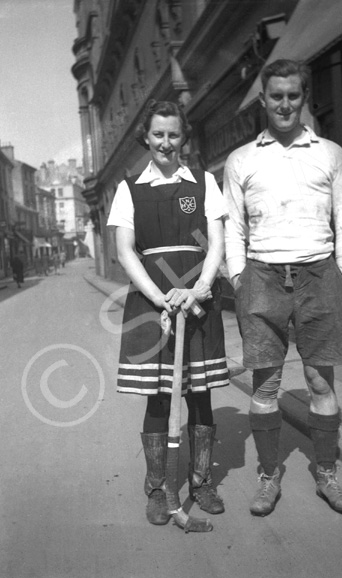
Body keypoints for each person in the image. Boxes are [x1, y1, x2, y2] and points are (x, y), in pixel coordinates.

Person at [223, 59, 342, 516]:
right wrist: (239, 278)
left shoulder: (330, 153)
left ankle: (326, 474)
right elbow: (232, 228)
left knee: (320, 379)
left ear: (303, 97)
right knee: (266, 384)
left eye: (293, 96)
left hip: (321, 274)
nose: (284, 104)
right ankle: (268, 476)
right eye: (275, 96)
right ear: (263, 100)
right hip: (261, 277)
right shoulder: (242, 159)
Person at [107, 100, 229, 526]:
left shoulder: (204, 182)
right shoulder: (130, 188)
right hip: (153, 302)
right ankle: (159, 489)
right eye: (158, 134)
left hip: (198, 300)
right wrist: (161, 298)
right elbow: (125, 251)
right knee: (159, 396)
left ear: (184, 137)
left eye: (173, 134)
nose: (165, 142)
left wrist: (199, 288)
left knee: (200, 394)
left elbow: (216, 243)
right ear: (147, 137)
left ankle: (200, 483)